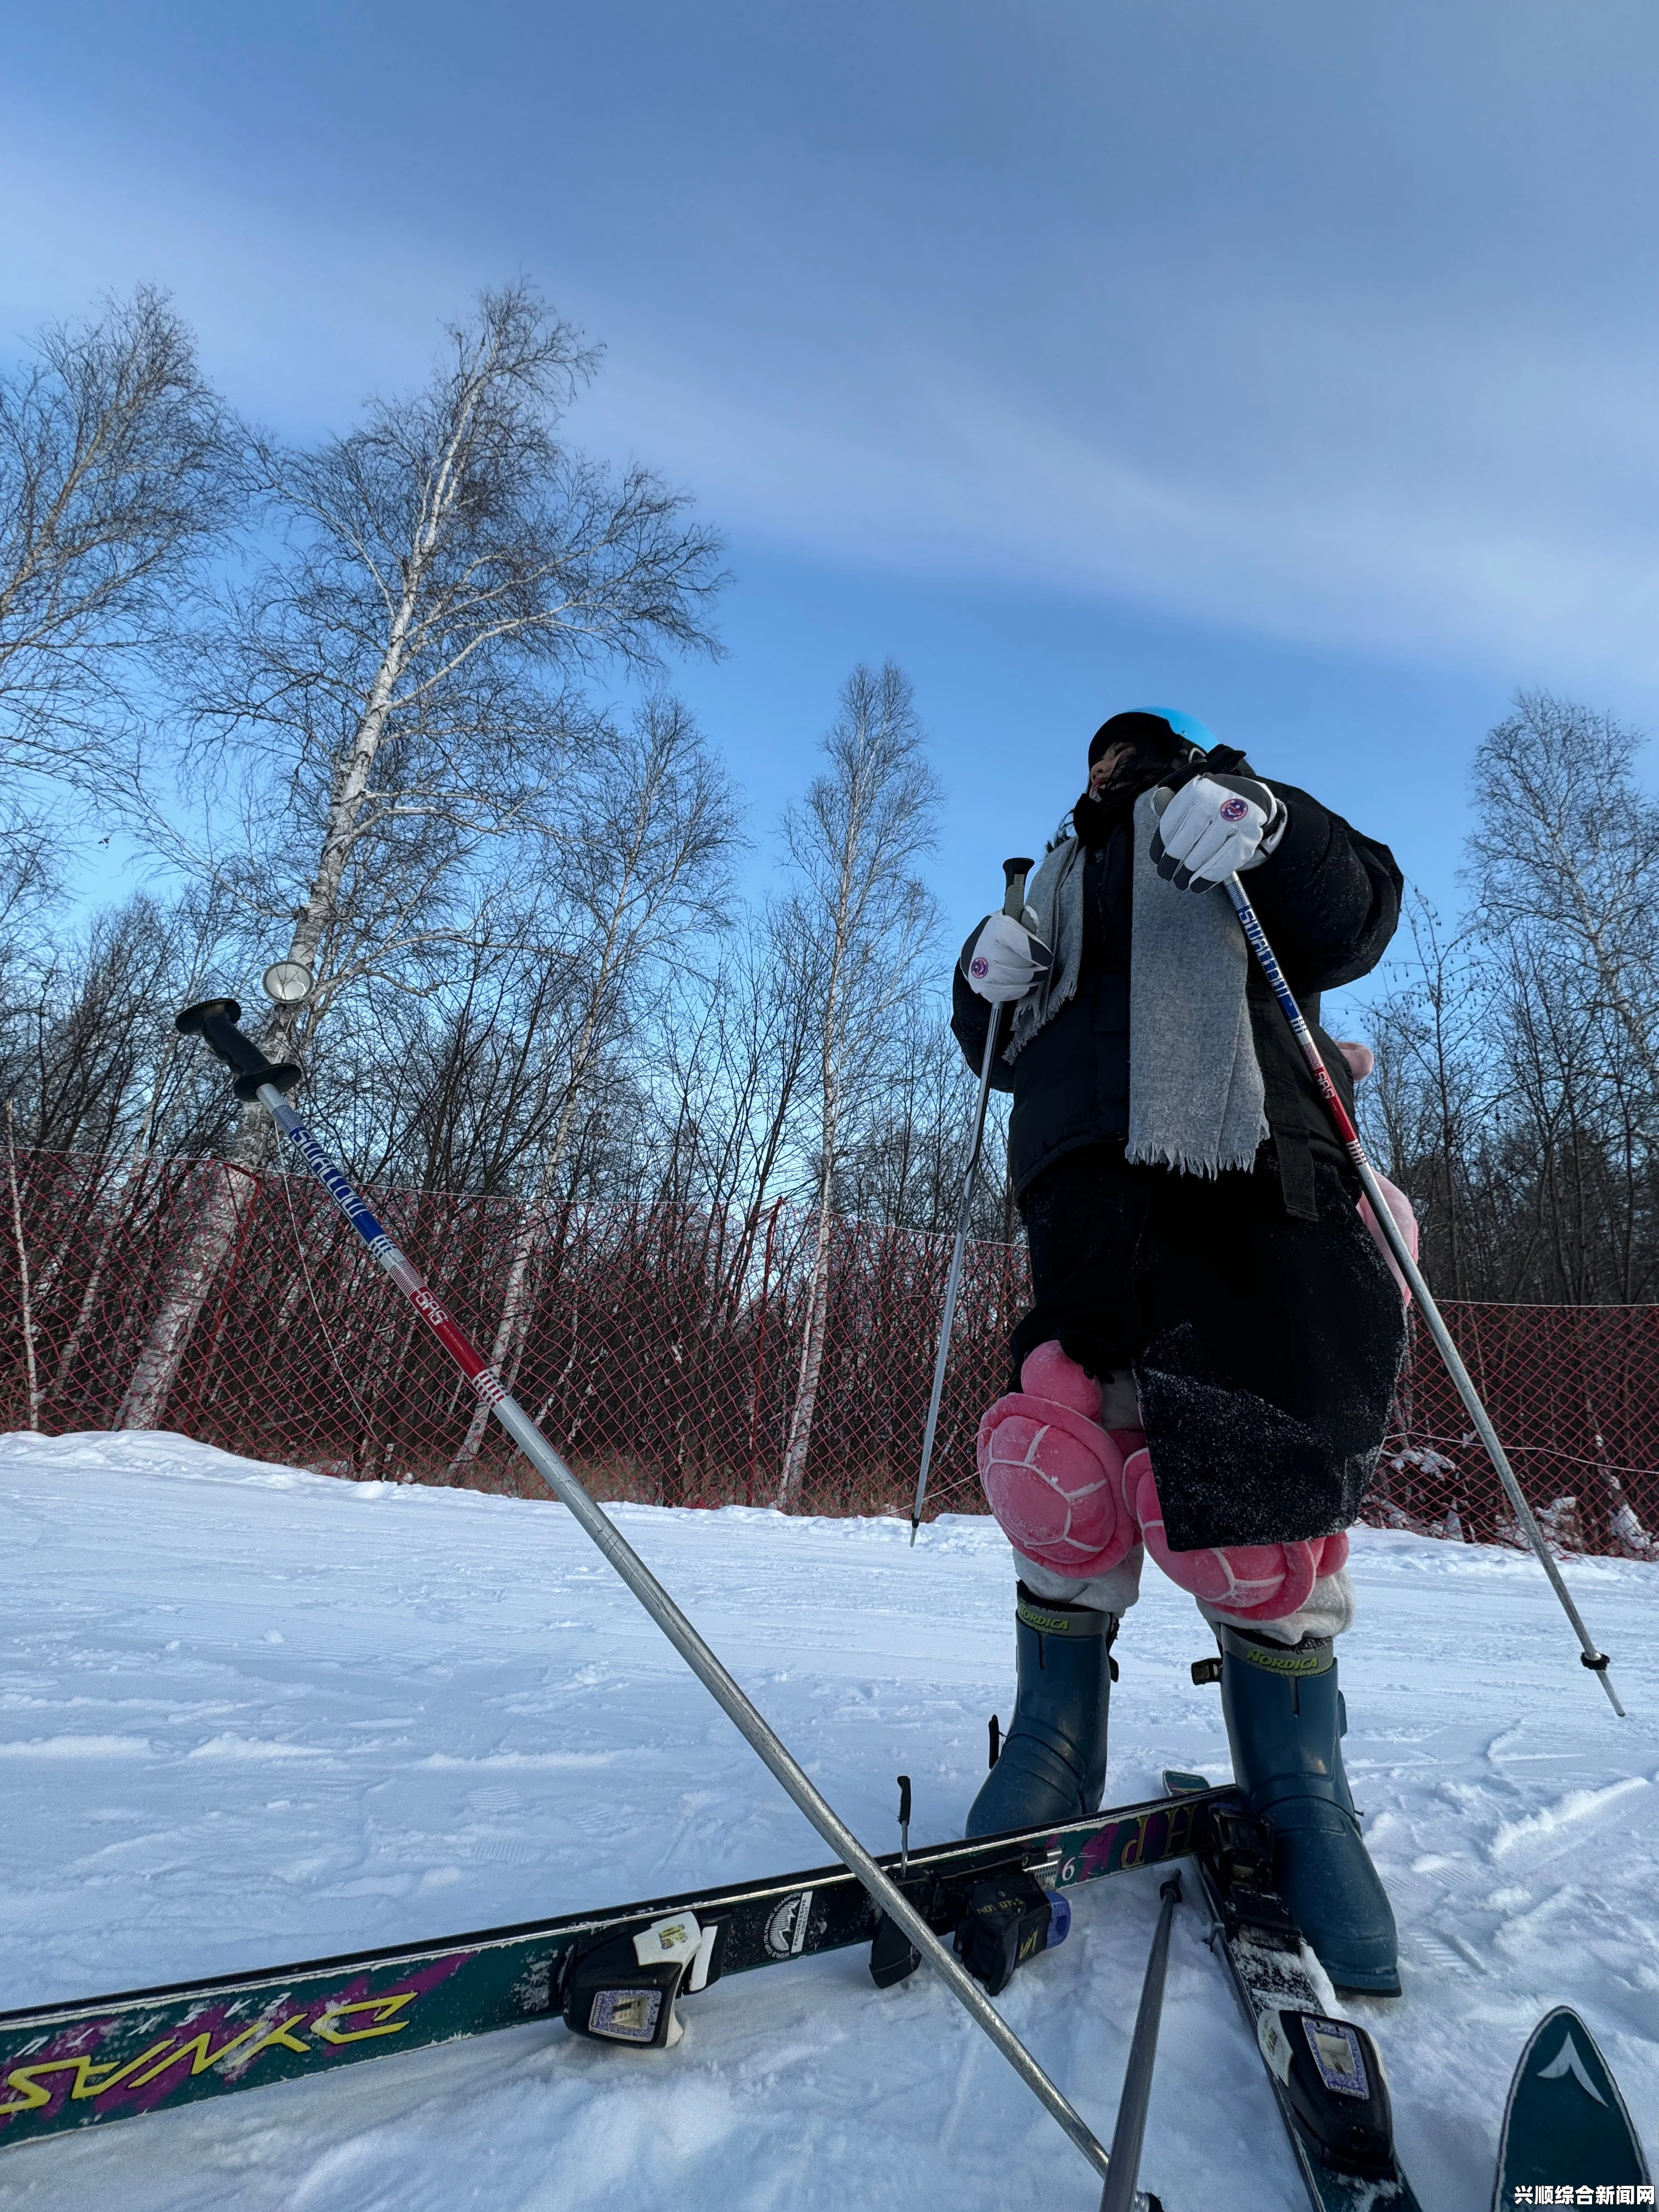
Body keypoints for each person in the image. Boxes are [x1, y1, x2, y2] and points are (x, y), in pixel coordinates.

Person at [951, 707, 1409, 1996]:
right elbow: (995, 1050)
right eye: (1097, 753)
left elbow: (1360, 912)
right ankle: (1054, 1740)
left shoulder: (1229, 804)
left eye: (1132, 747)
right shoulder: (1046, 876)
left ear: (1174, 750)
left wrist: (1268, 827)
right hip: (1079, 1178)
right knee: (1065, 1460)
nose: (1109, 766)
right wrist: (975, 980)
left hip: (1253, 1168)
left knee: (1256, 1491)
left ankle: (1300, 1789)